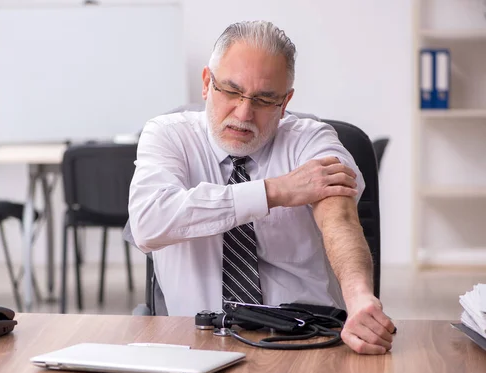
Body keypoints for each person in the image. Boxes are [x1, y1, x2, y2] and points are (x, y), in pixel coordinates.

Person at [128, 21, 395, 355]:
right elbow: (148, 223)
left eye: (264, 99)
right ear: (207, 83)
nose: (243, 113)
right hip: (195, 341)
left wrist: (359, 298)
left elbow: (339, 220)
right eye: (231, 91)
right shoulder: (167, 135)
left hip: (304, 336)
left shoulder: (312, 140)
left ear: (285, 102)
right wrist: (272, 191)